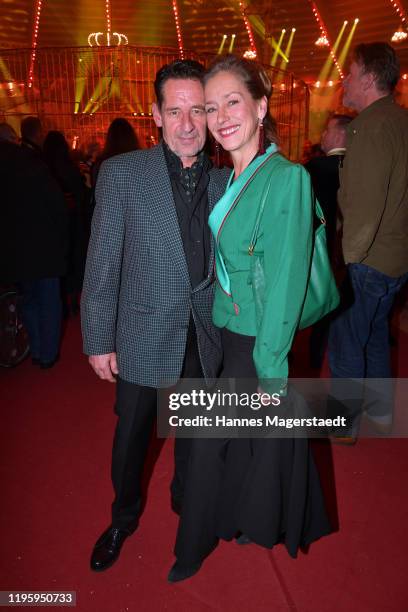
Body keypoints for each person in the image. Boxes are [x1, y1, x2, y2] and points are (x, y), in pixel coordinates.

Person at [169, 55, 331, 583]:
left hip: (258, 342)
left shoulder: (288, 179)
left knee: (209, 442)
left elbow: (285, 283)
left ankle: (190, 547)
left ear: (261, 106)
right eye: (211, 107)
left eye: (231, 101)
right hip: (229, 333)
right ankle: (240, 520)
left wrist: (271, 370)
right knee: (244, 442)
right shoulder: (230, 177)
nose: (220, 116)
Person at [80, 59, 229, 572]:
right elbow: (102, 262)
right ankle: (122, 517)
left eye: (197, 111)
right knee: (132, 439)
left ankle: (187, 502)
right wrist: (98, 338)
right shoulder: (123, 174)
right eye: (175, 111)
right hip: (142, 333)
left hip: (205, 334)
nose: (187, 124)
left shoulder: (227, 180)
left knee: (192, 430)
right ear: (156, 116)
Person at [329, 43, 408, 439]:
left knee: (346, 340)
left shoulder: (371, 126)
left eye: (352, 72)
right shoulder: (400, 120)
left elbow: (365, 205)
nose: (345, 79)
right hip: (397, 257)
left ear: (370, 79)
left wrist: (346, 263)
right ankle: (379, 414)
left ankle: (343, 425)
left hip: (369, 258)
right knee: (375, 334)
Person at [0, 121, 68, 368]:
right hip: (43, 241)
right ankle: (47, 354)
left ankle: (37, 348)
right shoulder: (30, 162)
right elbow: (56, 204)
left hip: (14, 246)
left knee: (28, 299)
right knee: (49, 300)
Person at [305, 114, 352, 369]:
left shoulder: (316, 168)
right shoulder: (363, 167)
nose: (322, 135)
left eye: (326, 131)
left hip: (320, 254)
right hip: (351, 255)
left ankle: (312, 362)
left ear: (340, 134)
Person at [43, 130, 87, 316]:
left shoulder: (43, 167)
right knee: (74, 260)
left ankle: (65, 300)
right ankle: (73, 299)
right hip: (73, 222)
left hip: (49, 226)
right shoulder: (69, 168)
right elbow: (81, 195)